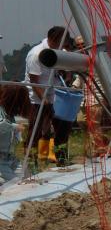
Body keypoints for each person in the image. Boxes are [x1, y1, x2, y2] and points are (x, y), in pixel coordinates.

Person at [24, 26, 74, 165]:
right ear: (53, 39)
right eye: (61, 41)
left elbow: (68, 70)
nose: (63, 45)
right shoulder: (36, 54)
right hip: (38, 97)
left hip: (57, 95)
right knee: (37, 129)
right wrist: (44, 100)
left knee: (62, 127)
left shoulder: (60, 52)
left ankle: (60, 158)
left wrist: (67, 74)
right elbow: (34, 82)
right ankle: (32, 162)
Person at [0, 85, 30, 185]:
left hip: (9, 158)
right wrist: (15, 127)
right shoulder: (1, 111)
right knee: (16, 184)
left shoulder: (10, 115)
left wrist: (19, 135)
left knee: (27, 178)